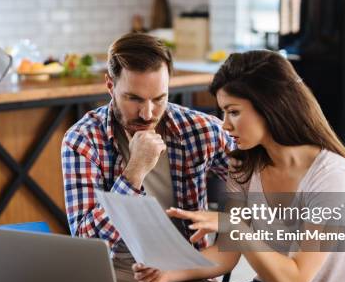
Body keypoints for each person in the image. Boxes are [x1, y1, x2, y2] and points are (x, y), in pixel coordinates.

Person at [132, 50, 345, 282]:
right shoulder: (243, 166)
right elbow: (226, 255)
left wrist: (234, 225)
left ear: (270, 106)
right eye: (223, 112)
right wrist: (168, 272)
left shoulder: (331, 176)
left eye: (233, 112)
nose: (224, 126)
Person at [61, 33, 233, 256]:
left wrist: (226, 221)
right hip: (117, 273)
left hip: (189, 273)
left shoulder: (201, 130)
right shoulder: (83, 141)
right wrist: (134, 172)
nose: (148, 113)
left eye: (159, 98)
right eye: (134, 99)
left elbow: (272, 196)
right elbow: (87, 244)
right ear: (110, 86)